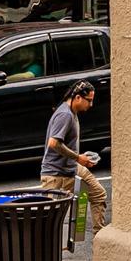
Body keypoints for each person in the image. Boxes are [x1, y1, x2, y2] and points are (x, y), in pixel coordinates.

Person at [41, 81, 108, 238]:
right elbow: (54, 143)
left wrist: (80, 159)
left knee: (99, 194)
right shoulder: (65, 115)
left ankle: (99, 240)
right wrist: (78, 157)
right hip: (56, 175)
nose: (91, 105)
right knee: (50, 221)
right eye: (89, 100)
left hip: (73, 168)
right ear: (78, 97)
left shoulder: (71, 112)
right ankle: (46, 250)